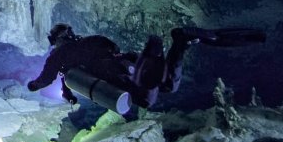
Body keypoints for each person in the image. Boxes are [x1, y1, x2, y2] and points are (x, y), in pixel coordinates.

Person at [26, 23, 266, 111]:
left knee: (145, 100)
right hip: (129, 62)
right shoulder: (92, 39)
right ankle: (180, 42)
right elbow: (112, 46)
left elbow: (46, 78)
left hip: (112, 72)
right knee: (169, 86)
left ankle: (157, 51)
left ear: (56, 40)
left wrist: (34, 85)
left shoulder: (59, 54)